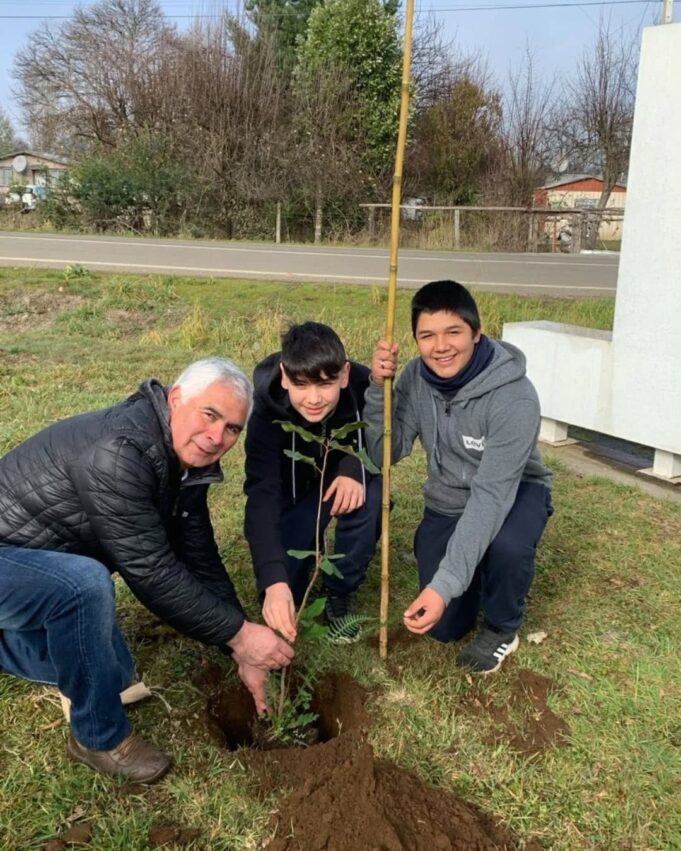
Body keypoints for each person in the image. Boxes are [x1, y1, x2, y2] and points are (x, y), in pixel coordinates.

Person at [0, 358, 294, 783]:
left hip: (33, 564)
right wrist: (241, 635)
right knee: (83, 587)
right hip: (13, 559)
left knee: (114, 674)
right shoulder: (119, 453)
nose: (217, 438)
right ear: (176, 399)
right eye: (209, 415)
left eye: (232, 428)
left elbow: (199, 556)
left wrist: (237, 646)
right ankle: (98, 739)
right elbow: (152, 572)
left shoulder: (181, 459)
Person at [366, 281, 553, 674]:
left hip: (513, 492)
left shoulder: (515, 397)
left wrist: (443, 585)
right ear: (415, 339)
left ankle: (503, 627)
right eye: (427, 335)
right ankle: (462, 560)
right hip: (448, 500)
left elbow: (490, 498)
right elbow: (386, 453)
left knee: (507, 547)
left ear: (476, 332)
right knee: (446, 627)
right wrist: (378, 390)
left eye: (453, 332)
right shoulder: (416, 377)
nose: (441, 346)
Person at [244, 322, 382, 644]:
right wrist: (273, 580)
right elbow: (261, 494)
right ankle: (290, 576)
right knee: (284, 582)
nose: (314, 399)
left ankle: (339, 589)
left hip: (344, 481)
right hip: (296, 492)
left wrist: (354, 466)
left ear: (344, 374)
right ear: (284, 375)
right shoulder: (264, 409)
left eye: (326, 384)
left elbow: (381, 438)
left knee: (369, 499)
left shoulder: (367, 387)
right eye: (301, 385)